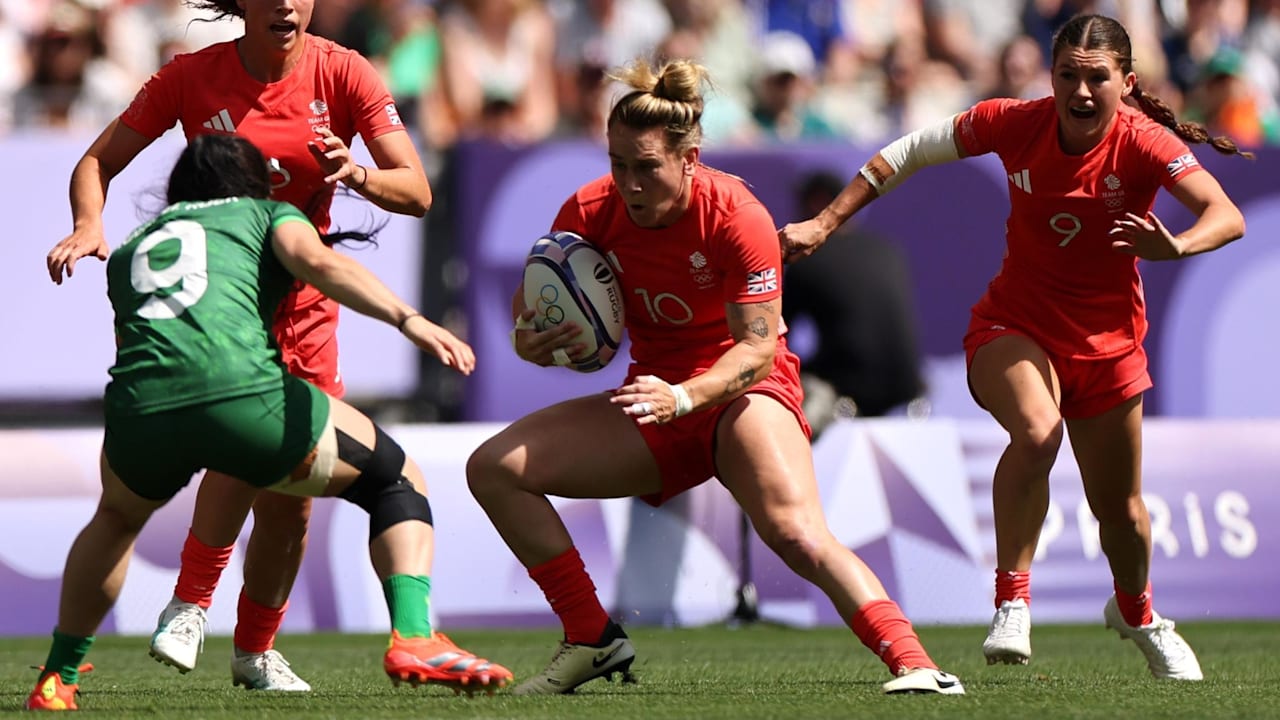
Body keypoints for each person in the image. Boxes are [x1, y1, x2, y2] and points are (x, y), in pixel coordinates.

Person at [466, 56, 965, 697]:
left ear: (690, 158)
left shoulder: (737, 215)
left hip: (743, 393)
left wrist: (686, 395)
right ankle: (592, 637)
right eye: (618, 164)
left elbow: (756, 350)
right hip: (658, 396)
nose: (629, 183)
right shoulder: (589, 209)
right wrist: (529, 338)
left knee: (796, 533)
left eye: (647, 166)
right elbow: (534, 302)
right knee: (495, 469)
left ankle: (916, 664)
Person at [779, 13, 1248, 680]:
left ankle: (1139, 612)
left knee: (1124, 515)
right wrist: (827, 221)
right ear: (1049, 76)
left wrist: (1175, 246)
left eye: (1097, 79)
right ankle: (1012, 601)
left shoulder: (1143, 143)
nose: (1081, 92)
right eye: (1068, 76)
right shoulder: (1012, 122)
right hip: (1013, 325)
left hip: (1108, 346)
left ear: (1127, 82)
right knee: (1036, 430)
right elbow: (908, 151)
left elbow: (1224, 214)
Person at [25, 135, 513, 712]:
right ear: (256, 183)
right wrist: (408, 320)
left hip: (140, 407)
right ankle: (414, 637)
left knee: (115, 519)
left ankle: (58, 678)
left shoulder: (135, 246)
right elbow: (321, 263)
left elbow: (145, 341)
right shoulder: (267, 213)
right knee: (396, 479)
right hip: (243, 398)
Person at [43, 0, 436, 692]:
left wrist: (361, 176)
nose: (286, 2)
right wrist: (87, 223)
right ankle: (191, 605)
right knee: (245, 437)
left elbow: (417, 190)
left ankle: (254, 651)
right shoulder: (190, 78)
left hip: (306, 310)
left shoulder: (346, 75)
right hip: (224, 304)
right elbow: (97, 162)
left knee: (291, 505)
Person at [781, 170, 924, 434]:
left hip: (849, 396)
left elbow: (775, 337)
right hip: (910, 393)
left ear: (816, 202)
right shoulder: (887, 250)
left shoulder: (807, 260)